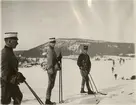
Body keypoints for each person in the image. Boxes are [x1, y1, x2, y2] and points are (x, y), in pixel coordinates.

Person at [1, 32, 26, 105]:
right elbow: (4, 72)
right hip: (6, 83)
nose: (17, 43)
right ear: (9, 41)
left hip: (11, 82)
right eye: (16, 41)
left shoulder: (9, 51)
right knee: (5, 102)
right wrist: (15, 78)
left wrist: (18, 75)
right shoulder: (5, 54)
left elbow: (11, 68)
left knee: (18, 96)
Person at [45, 38, 61, 104]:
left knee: (51, 85)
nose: (53, 43)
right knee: (50, 85)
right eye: (52, 42)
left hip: (53, 69)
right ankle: (47, 100)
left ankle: (48, 100)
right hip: (51, 70)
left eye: (54, 42)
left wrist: (58, 58)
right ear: (49, 43)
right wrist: (50, 70)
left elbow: (53, 60)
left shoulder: (52, 49)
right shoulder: (50, 50)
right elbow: (50, 61)